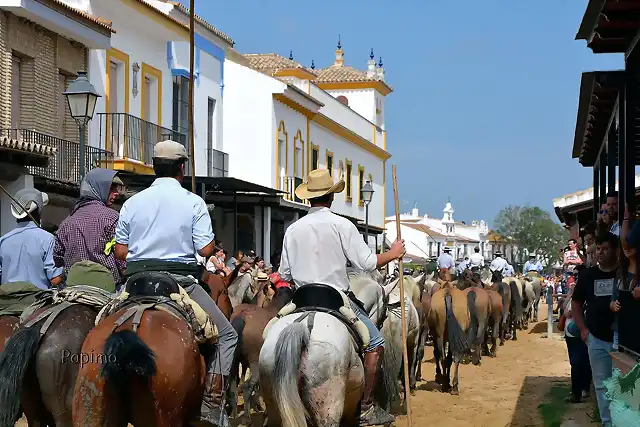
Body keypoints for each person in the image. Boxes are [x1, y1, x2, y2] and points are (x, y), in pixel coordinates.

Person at [114, 140, 237, 427]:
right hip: (179, 283)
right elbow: (206, 250)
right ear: (182, 168)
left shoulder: (132, 202)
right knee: (228, 336)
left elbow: (120, 251)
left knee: (97, 325)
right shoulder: (193, 202)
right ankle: (211, 406)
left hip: (135, 283)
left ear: (155, 167)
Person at [278, 169, 406, 426]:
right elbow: (369, 263)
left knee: (271, 333)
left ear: (309, 198)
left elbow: (284, 273)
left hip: (300, 299)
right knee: (375, 343)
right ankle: (367, 408)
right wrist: (394, 252)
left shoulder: (293, 229)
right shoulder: (342, 225)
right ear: (331, 197)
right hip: (334, 298)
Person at [571, 232, 619, 427]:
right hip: (596, 338)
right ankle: (607, 422)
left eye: (605, 249)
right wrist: (583, 330)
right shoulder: (587, 275)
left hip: (622, 341)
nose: (600, 253)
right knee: (601, 385)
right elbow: (576, 303)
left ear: (615, 251)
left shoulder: (623, 273)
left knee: (624, 386)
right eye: (598, 249)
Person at [54, 168, 125, 287]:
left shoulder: (66, 223)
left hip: (73, 288)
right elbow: (121, 259)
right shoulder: (113, 218)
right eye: (112, 188)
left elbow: (57, 257)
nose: (116, 193)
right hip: (106, 288)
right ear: (98, 188)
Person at [0, 188, 63, 289]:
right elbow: (55, 280)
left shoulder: (3, 241)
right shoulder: (47, 239)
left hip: (7, 302)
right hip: (38, 302)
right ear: (39, 211)